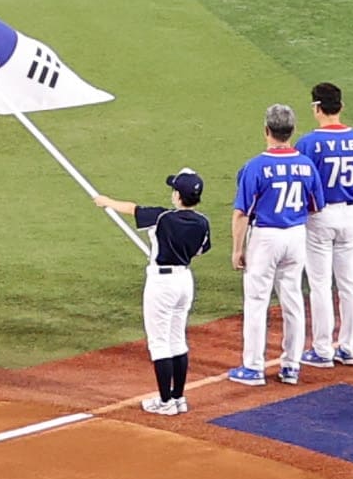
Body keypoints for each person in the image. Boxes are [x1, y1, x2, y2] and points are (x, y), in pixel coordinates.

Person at [105, 168, 214, 410]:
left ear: (178, 195)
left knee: (159, 343)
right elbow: (200, 251)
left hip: (162, 284)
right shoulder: (203, 222)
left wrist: (106, 202)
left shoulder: (162, 217)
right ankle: (178, 398)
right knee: (177, 340)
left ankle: (165, 402)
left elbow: (132, 209)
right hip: (184, 280)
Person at [227, 108, 316, 385]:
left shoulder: (256, 166)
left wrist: (237, 249)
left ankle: (253, 367)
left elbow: (241, 213)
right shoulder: (306, 164)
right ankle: (291, 366)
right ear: (292, 131)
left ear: (267, 130)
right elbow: (315, 206)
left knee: (257, 301)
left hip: (266, 237)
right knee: (293, 299)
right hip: (296, 235)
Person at [296, 87, 353, 364]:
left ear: (317, 108)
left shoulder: (308, 143)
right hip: (350, 214)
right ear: (341, 106)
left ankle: (323, 349)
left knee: (320, 284)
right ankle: (350, 348)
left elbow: (301, 185)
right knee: (349, 282)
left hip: (320, 216)